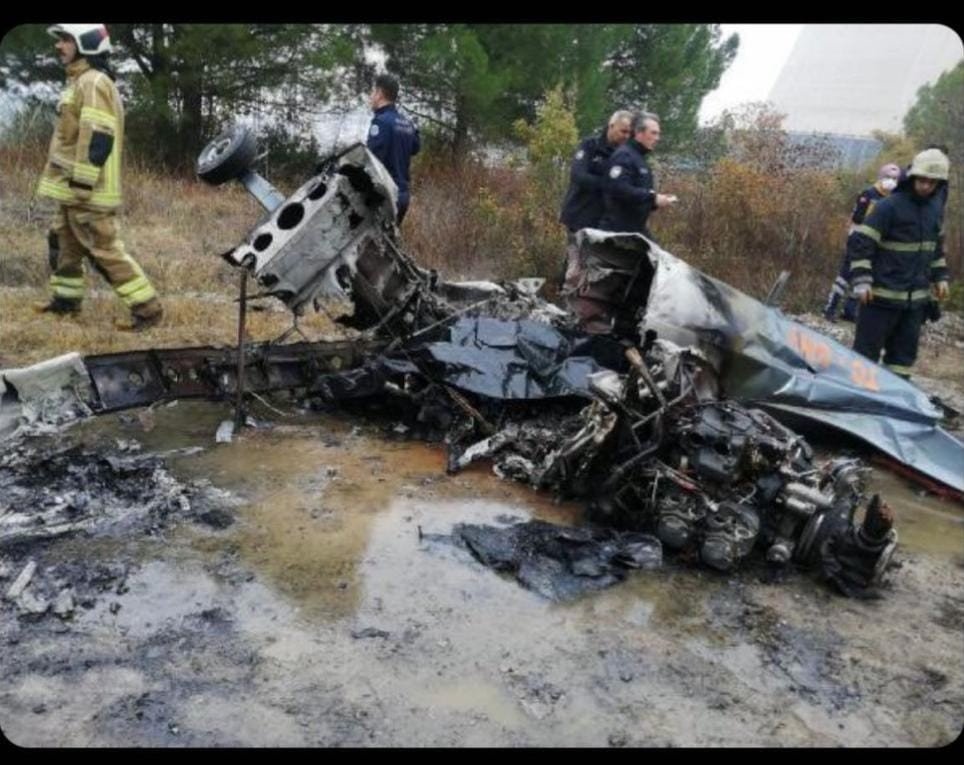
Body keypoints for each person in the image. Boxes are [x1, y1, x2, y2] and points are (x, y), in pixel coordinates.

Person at [34, 24, 162, 331]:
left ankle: (147, 311)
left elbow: (98, 136)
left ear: (86, 44)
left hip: (87, 190)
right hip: (73, 188)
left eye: (66, 40)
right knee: (64, 243)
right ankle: (66, 303)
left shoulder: (93, 82)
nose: (59, 46)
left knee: (104, 250)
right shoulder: (81, 81)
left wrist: (82, 182)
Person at [849, 148, 951, 379]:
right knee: (864, 358)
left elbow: (935, 248)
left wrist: (940, 276)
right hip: (879, 299)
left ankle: (893, 398)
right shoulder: (889, 206)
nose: (926, 186)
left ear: (939, 184)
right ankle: (856, 397)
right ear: (912, 177)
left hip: (914, 304)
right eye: (922, 180)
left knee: (902, 361)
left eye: (932, 182)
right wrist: (862, 280)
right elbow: (862, 243)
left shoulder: (935, 210)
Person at [557, 110, 633, 289]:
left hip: (606, 222)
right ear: (611, 126)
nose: (626, 136)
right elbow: (578, 175)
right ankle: (563, 295)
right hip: (580, 215)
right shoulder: (590, 145)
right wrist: (608, 184)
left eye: (630, 133)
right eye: (623, 131)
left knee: (596, 268)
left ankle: (578, 297)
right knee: (575, 266)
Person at [823, 163, 901, 322]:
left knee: (862, 276)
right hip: (857, 238)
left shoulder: (893, 198)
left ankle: (850, 311)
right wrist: (875, 218)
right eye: (888, 177)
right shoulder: (868, 194)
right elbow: (857, 217)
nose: (891, 181)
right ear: (881, 177)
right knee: (845, 275)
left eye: (894, 179)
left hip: (874, 243)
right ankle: (830, 308)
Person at [598, 111, 678, 238]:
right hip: (617, 231)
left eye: (658, 134)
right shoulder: (624, 155)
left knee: (656, 251)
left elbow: (637, 196)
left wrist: (657, 201)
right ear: (639, 134)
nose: (657, 138)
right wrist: (652, 198)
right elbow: (618, 188)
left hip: (635, 229)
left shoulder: (639, 158)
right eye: (653, 133)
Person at [366, 73, 421, 225]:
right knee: (391, 237)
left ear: (379, 93)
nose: (371, 97)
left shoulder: (381, 122)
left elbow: (372, 159)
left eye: (373, 92)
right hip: (403, 196)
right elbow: (416, 148)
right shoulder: (407, 124)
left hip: (386, 195)